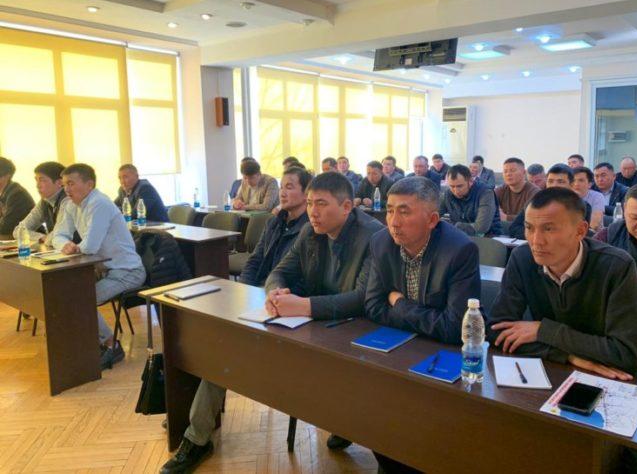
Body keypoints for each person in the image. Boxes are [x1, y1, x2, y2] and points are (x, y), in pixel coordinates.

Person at [160, 172, 384, 474]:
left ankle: (348, 423)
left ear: (346, 207)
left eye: (321, 204)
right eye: (309, 203)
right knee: (225, 347)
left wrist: (304, 305)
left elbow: (362, 299)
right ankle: (197, 438)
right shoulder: (311, 231)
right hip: (310, 325)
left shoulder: (373, 236)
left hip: (353, 333)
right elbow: (279, 271)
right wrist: (275, 292)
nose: (313, 212)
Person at [487, 187, 637, 473]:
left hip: (615, 381)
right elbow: (498, 330)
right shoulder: (523, 259)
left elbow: (625, 356)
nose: (536, 240)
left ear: (581, 230)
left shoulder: (617, 267)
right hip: (555, 371)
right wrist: (567, 355)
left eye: (549, 229)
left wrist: (544, 330)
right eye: (530, 228)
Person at [364, 176, 480, 474]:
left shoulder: (460, 250)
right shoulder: (381, 242)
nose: (393, 221)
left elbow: (455, 328)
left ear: (432, 220)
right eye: (390, 210)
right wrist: (423, 317)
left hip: (442, 360)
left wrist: (400, 303)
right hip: (398, 351)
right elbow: (374, 306)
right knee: (370, 408)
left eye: (404, 211)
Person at [52, 164, 145, 369]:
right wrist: (65, 245)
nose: (67, 189)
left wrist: (74, 247)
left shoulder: (99, 203)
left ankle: (111, 345)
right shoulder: (69, 204)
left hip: (127, 271)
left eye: (71, 183)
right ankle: (87, 344)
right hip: (102, 270)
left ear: (89, 184)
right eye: (64, 184)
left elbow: (90, 246)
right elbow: (56, 236)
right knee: (63, 294)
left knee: (81, 299)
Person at [239, 167, 311, 286]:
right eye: (281, 187)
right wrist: (243, 287)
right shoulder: (273, 223)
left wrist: (274, 292)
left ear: (306, 194)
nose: (282, 193)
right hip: (263, 287)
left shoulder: (310, 228)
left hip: (284, 291)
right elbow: (255, 260)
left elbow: (301, 277)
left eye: (289, 187)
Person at [509, 164, 593, 239]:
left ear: (571, 185)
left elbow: (576, 235)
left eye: (560, 182)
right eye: (550, 181)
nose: (554, 185)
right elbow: (514, 228)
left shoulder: (582, 206)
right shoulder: (534, 203)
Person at [12, 161, 68, 245]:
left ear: (60, 183)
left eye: (42, 180)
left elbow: (59, 235)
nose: (37, 185)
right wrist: (42, 237)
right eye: (36, 180)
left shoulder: (69, 200)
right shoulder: (44, 202)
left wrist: (49, 238)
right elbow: (18, 231)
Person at [440, 164, 501, 236]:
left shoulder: (486, 193)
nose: (456, 191)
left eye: (460, 186)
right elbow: (433, 215)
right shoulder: (447, 194)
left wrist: (454, 226)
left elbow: (481, 227)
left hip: (488, 237)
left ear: (470, 181)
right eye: (452, 186)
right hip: (459, 236)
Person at [0, 157, 35, 238]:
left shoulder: (17, 194)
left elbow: (6, 227)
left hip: (28, 240)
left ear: (7, 176)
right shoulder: (5, 192)